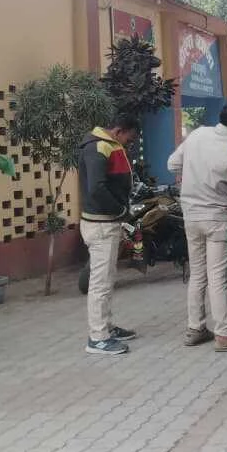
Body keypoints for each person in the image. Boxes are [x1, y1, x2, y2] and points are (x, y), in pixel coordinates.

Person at [167, 103, 227, 352]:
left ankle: (196, 328)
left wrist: (193, 176)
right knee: (217, 276)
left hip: (191, 216)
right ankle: (225, 333)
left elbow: (172, 165)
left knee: (198, 274)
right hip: (217, 218)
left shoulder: (198, 134)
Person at [77, 114, 141, 355]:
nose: (129, 144)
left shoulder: (107, 145)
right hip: (101, 225)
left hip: (107, 223)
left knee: (106, 279)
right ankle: (98, 338)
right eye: (129, 139)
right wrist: (120, 209)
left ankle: (106, 327)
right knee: (100, 283)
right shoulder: (98, 147)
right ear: (119, 131)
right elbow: (96, 188)